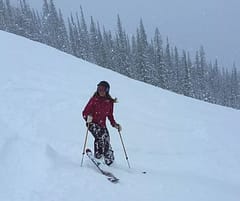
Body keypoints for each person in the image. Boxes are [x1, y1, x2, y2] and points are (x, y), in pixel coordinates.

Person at [82, 81, 121, 166]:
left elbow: (110, 115)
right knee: (100, 137)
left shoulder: (109, 102)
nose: (101, 91)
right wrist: (88, 117)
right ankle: (98, 157)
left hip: (102, 124)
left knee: (106, 139)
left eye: (103, 89)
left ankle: (109, 160)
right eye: (99, 89)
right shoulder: (94, 100)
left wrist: (114, 124)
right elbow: (84, 112)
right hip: (92, 123)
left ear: (107, 90)